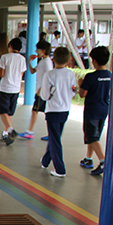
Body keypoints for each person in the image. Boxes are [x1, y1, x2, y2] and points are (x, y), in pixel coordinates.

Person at [40, 47, 78, 177]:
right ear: (68, 60)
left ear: (53, 58)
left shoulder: (49, 74)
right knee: (55, 136)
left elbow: (44, 96)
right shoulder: (70, 74)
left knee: (55, 140)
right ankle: (45, 161)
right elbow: (73, 91)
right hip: (65, 109)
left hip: (53, 110)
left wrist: (51, 95)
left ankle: (60, 169)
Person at [78, 46, 111, 176]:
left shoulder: (91, 77)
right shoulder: (110, 76)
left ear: (95, 61)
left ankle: (103, 160)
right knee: (94, 136)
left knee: (92, 137)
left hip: (92, 111)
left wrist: (80, 84)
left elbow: (82, 94)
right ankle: (88, 158)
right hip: (104, 109)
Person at [19, 40, 53, 140]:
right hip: (41, 91)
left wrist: (42, 89)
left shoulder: (46, 62)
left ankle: (30, 131)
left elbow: (49, 77)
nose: (36, 51)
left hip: (42, 92)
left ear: (43, 50)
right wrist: (29, 61)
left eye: (38, 49)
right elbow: (33, 71)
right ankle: (50, 133)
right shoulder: (43, 61)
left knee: (35, 111)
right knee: (42, 112)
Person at [0, 37, 27, 145]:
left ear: (10, 46)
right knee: (9, 112)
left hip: (5, 87)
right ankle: (6, 133)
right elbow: (22, 74)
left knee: (3, 111)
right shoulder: (22, 59)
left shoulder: (5, 57)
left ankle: (10, 129)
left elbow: (2, 73)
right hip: (16, 88)